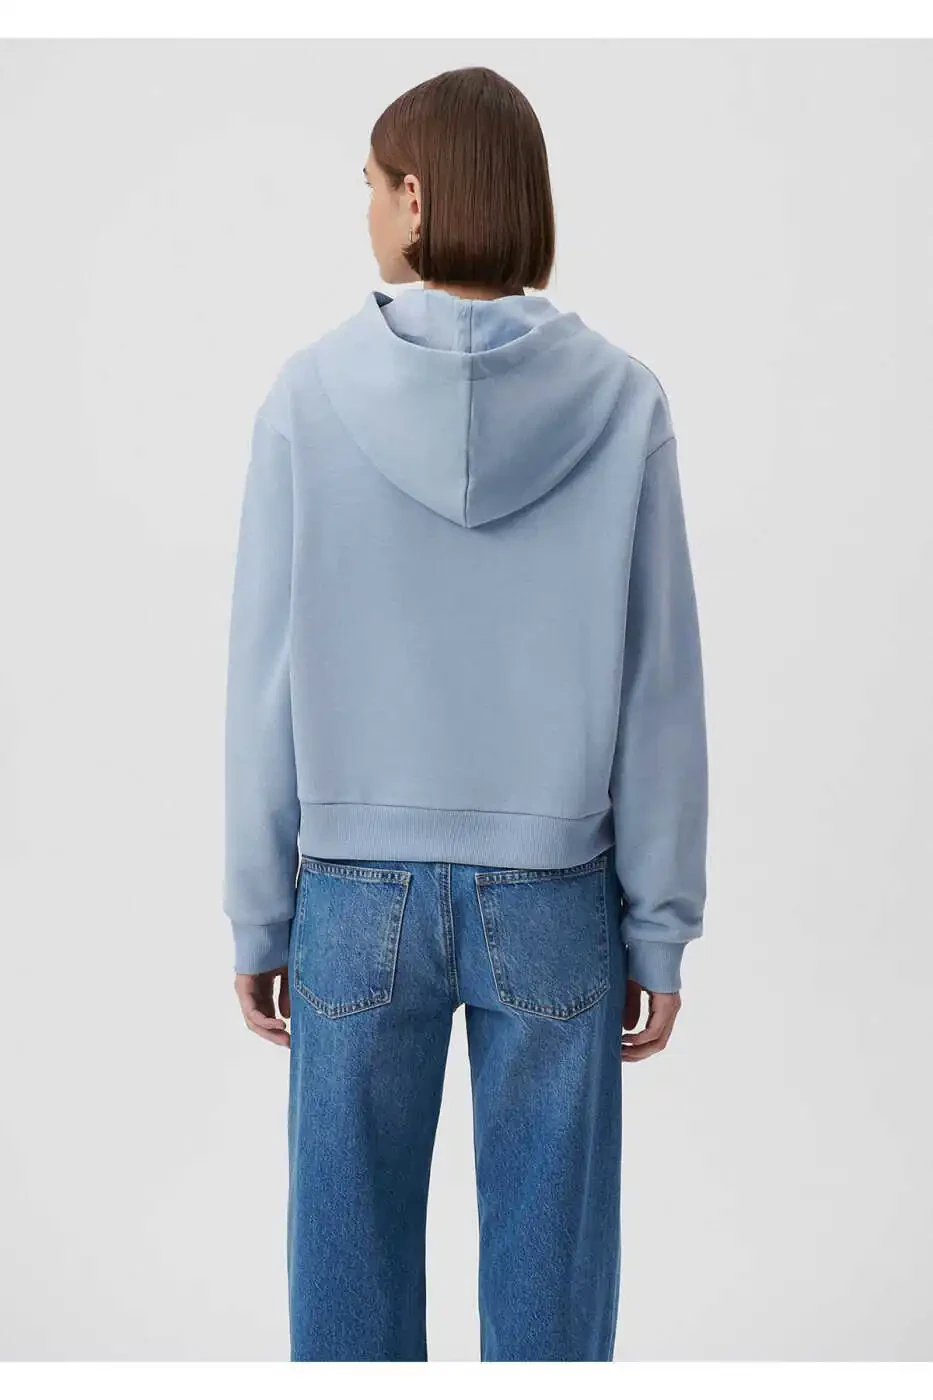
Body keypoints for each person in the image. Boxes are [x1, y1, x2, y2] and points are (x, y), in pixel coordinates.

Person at [223, 64, 708, 1363]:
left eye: (371, 186)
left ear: (419, 197)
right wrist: (659, 928)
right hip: (555, 895)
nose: (366, 212)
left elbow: (264, 677)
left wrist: (258, 910)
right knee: (553, 1311)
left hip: (352, 895)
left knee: (347, 1302)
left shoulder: (306, 399)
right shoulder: (625, 402)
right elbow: (660, 685)